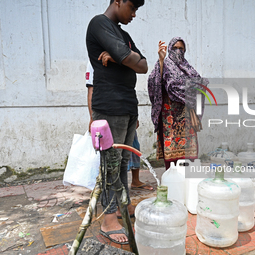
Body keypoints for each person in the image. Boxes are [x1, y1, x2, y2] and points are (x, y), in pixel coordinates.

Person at [86, 0, 147, 244]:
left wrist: (120, 56)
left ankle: (123, 205)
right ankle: (109, 218)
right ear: (118, 1)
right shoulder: (99, 24)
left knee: (123, 162)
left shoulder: (124, 34)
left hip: (127, 106)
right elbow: (129, 58)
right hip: (110, 106)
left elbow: (143, 65)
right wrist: (123, 56)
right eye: (132, 7)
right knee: (110, 163)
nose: (133, 14)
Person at [148, 38, 208, 170]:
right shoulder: (163, 63)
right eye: (175, 48)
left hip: (186, 115)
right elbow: (155, 81)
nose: (178, 51)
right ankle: (172, 177)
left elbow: (199, 84)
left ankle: (188, 179)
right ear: (169, 49)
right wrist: (161, 60)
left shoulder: (187, 67)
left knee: (189, 147)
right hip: (169, 115)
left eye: (181, 48)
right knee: (171, 147)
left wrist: (190, 96)